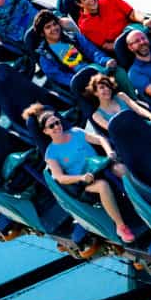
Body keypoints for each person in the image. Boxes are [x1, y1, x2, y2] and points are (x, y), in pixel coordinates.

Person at [24, 105, 135, 245]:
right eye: (51, 126)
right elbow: (60, 178)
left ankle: (142, 202)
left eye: (57, 122)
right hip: (86, 181)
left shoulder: (76, 132)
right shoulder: (51, 154)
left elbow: (100, 139)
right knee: (103, 186)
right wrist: (81, 178)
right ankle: (121, 226)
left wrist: (109, 152)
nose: (57, 127)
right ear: (46, 131)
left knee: (121, 169)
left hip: (101, 167)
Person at [32, 10, 124, 90]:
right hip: (83, 85)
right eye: (48, 27)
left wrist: (106, 61)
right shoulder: (45, 58)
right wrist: (84, 80)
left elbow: (93, 52)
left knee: (120, 73)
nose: (54, 28)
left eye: (55, 24)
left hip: (98, 70)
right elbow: (61, 77)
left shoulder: (75, 37)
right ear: (42, 33)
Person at [71, 0, 151, 53]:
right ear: (80, 4)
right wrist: (130, 43)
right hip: (121, 47)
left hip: (135, 31)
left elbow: (132, 13)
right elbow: (106, 46)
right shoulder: (84, 25)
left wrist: (144, 20)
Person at [83, 73, 151, 140]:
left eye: (108, 86)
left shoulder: (121, 96)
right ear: (95, 93)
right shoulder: (96, 115)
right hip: (128, 138)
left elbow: (137, 108)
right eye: (102, 87)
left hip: (142, 125)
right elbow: (114, 130)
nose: (107, 89)